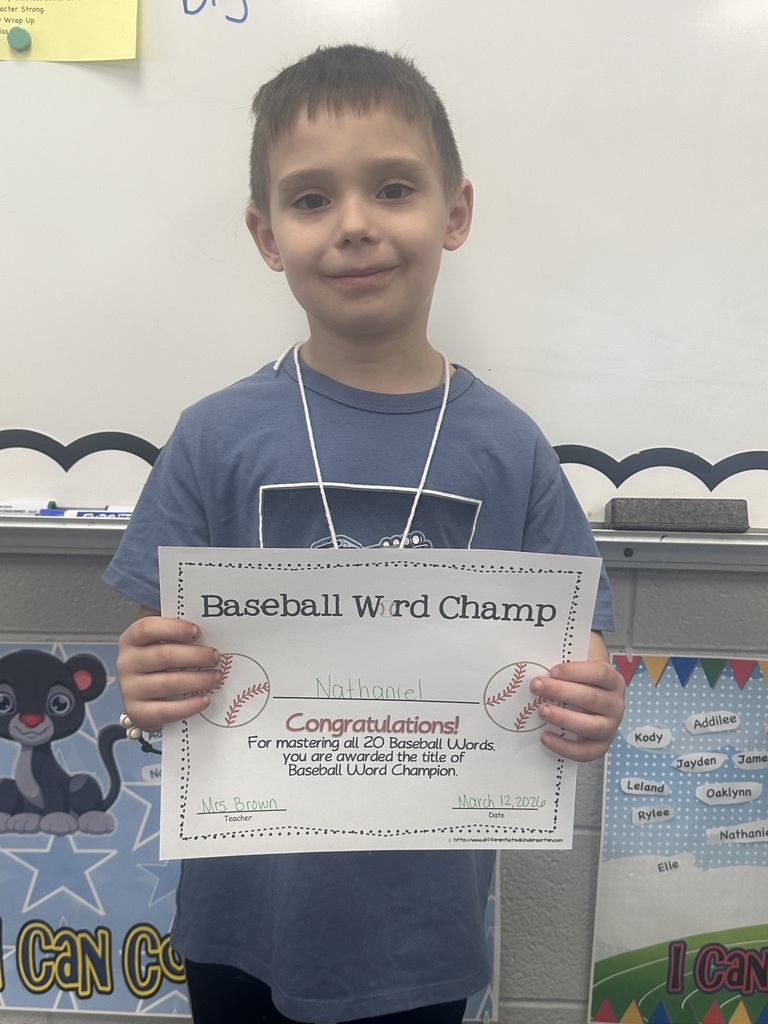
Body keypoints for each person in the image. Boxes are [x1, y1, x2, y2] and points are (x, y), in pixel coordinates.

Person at [105, 43, 624, 1024]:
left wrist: (588, 707)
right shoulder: (215, 437)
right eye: (310, 201)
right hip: (240, 920)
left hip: (418, 936)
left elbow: (576, 664)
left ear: (454, 212)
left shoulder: (510, 451)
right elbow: (155, 655)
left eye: (392, 188)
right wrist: (145, 682)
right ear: (266, 235)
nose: (354, 226)